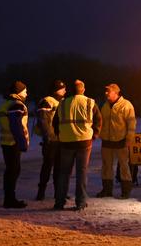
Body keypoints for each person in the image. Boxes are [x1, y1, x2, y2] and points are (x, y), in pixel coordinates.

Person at [53, 80, 101, 211]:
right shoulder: (90, 102)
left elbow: (55, 122)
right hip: (84, 141)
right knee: (82, 172)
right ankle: (80, 202)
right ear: (83, 90)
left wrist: (60, 134)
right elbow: (98, 119)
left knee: (64, 173)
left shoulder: (62, 103)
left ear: (70, 90)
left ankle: (59, 202)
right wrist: (95, 134)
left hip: (66, 142)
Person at [96, 83, 136, 199]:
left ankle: (126, 191)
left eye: (108, 91)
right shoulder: (105, 105)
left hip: (121, 140)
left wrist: (129, 138)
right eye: (106, 91)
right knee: (106, 166)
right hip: (107, 141)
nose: (106, 93)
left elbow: (132, 123)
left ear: (116, 92)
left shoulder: (126, 105)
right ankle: (107, 190)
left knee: (124, 166)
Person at [0, 81, 30, 208]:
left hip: (6, 142)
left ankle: (9, 198)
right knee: (13, 171)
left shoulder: (6, 104)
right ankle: (10, 200)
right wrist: (22, 143)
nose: (27, 94)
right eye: (25, 91)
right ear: (19, 92)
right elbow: (16, 126)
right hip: (13, 143)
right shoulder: (17, 105)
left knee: (10, 171)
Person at [34, 80, 66, 201]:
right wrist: (48, 137)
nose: (65, 90)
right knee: (47, 166)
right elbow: (43, 121)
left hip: (60, 140)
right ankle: (41, 192)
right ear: (56, 90)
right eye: (63, 88)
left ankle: (58, 192)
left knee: (59, 168)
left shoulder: (61, 102)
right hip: (51, 141)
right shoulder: (47, 101)